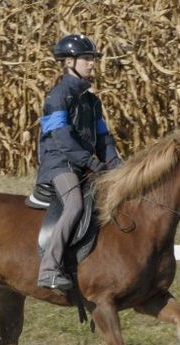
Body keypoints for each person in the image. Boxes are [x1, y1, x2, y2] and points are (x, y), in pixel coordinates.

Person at [36, 34, 122, 291]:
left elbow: (104, 138)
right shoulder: (57, 97)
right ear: (69, 62)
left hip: (84, 165)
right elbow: (61, 137)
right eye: (86, 59)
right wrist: (90, 162)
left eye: (93, 59)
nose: (92, 63)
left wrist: (117, 167)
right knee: (74, 205)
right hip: (60, 164)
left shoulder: (92, 101)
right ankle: (49, 270)